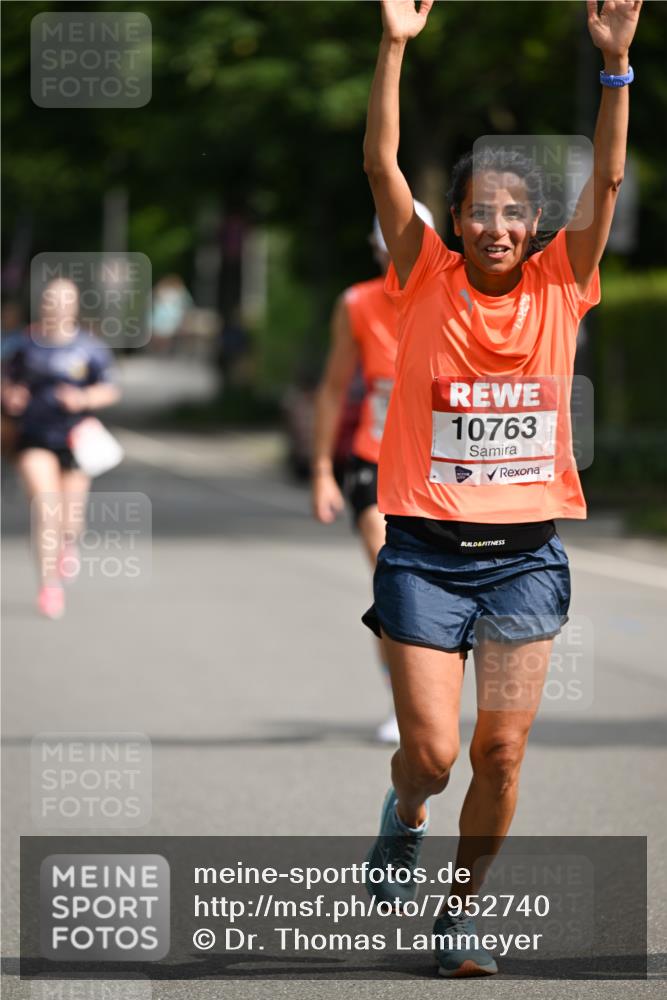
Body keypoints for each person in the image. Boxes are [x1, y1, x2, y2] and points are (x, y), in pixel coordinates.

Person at [362, 0, 642, 977]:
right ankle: (403, 815)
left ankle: (459, 915)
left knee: (502, 756)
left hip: (526, 556)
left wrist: (614, 67)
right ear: (459, 218)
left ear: (533, 227)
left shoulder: (563, 280)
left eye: (511, 211)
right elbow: (382, 168)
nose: (492, 224)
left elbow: (606, 176)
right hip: (425, 554)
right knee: (434, 753)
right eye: (477, 207)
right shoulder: (423, 272)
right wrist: (394, 44)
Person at [312, 203, 434, 743]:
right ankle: (401, 702)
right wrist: (320, 469)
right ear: (377, 249)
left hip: (440, 465)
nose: (398, 256)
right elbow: (335, 388)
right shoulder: (357, 304)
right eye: (388, 245)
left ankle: (436, 685)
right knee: (394, 579)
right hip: (374, 459)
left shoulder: (454, 297)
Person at [1, 278, 120, 619]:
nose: (56, 305)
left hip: (75, 440)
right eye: (51, 299)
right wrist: (10, 395)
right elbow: (7, 380)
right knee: (46, 509)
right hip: (34, 438)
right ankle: (49, 585)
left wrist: (83, 398)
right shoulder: (23, 345)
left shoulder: (91, 348)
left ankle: (68, 543)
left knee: (70, 519)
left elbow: (110, 390)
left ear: (75, 305)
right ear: (43, 303)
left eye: (64, 299)